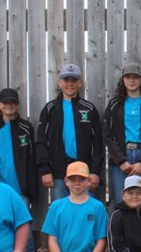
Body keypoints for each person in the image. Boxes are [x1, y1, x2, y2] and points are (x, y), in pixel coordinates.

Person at [0, 87, 39, 252]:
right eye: (5, 103)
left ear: (18, 105)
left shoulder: (25, 127)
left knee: (23, 223)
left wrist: (31, 187)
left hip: (20, 187)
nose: (9, 106)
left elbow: (32, 158)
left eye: (13, 103)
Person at [35, 63, 104, 200]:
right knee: (61, 213)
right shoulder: (50, 109)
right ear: (60, 82)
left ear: (80, 83)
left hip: (84, 173)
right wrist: (45, 170)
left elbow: (97, 144)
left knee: (85, 213)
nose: (70, 84)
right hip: (58, 173)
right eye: (66, 80)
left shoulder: (88, 109)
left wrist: (95, 172)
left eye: (74, 80)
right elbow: (41, 142)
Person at [43, 161, 108, 252]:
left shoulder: (97, 207)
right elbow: (52, 240)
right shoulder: (56, 207)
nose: (77, 184)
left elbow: (101, 241)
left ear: (88, 181)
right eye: (73, 180)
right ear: (66, 181)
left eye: (82, 180)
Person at [103, 63, 141, 208]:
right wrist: (120, 160)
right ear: (123, 80)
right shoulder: (114, 105)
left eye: (135, 77)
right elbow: (107, 134)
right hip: (121, 160)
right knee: (121, 202)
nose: (132, 80)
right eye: (128, 77)